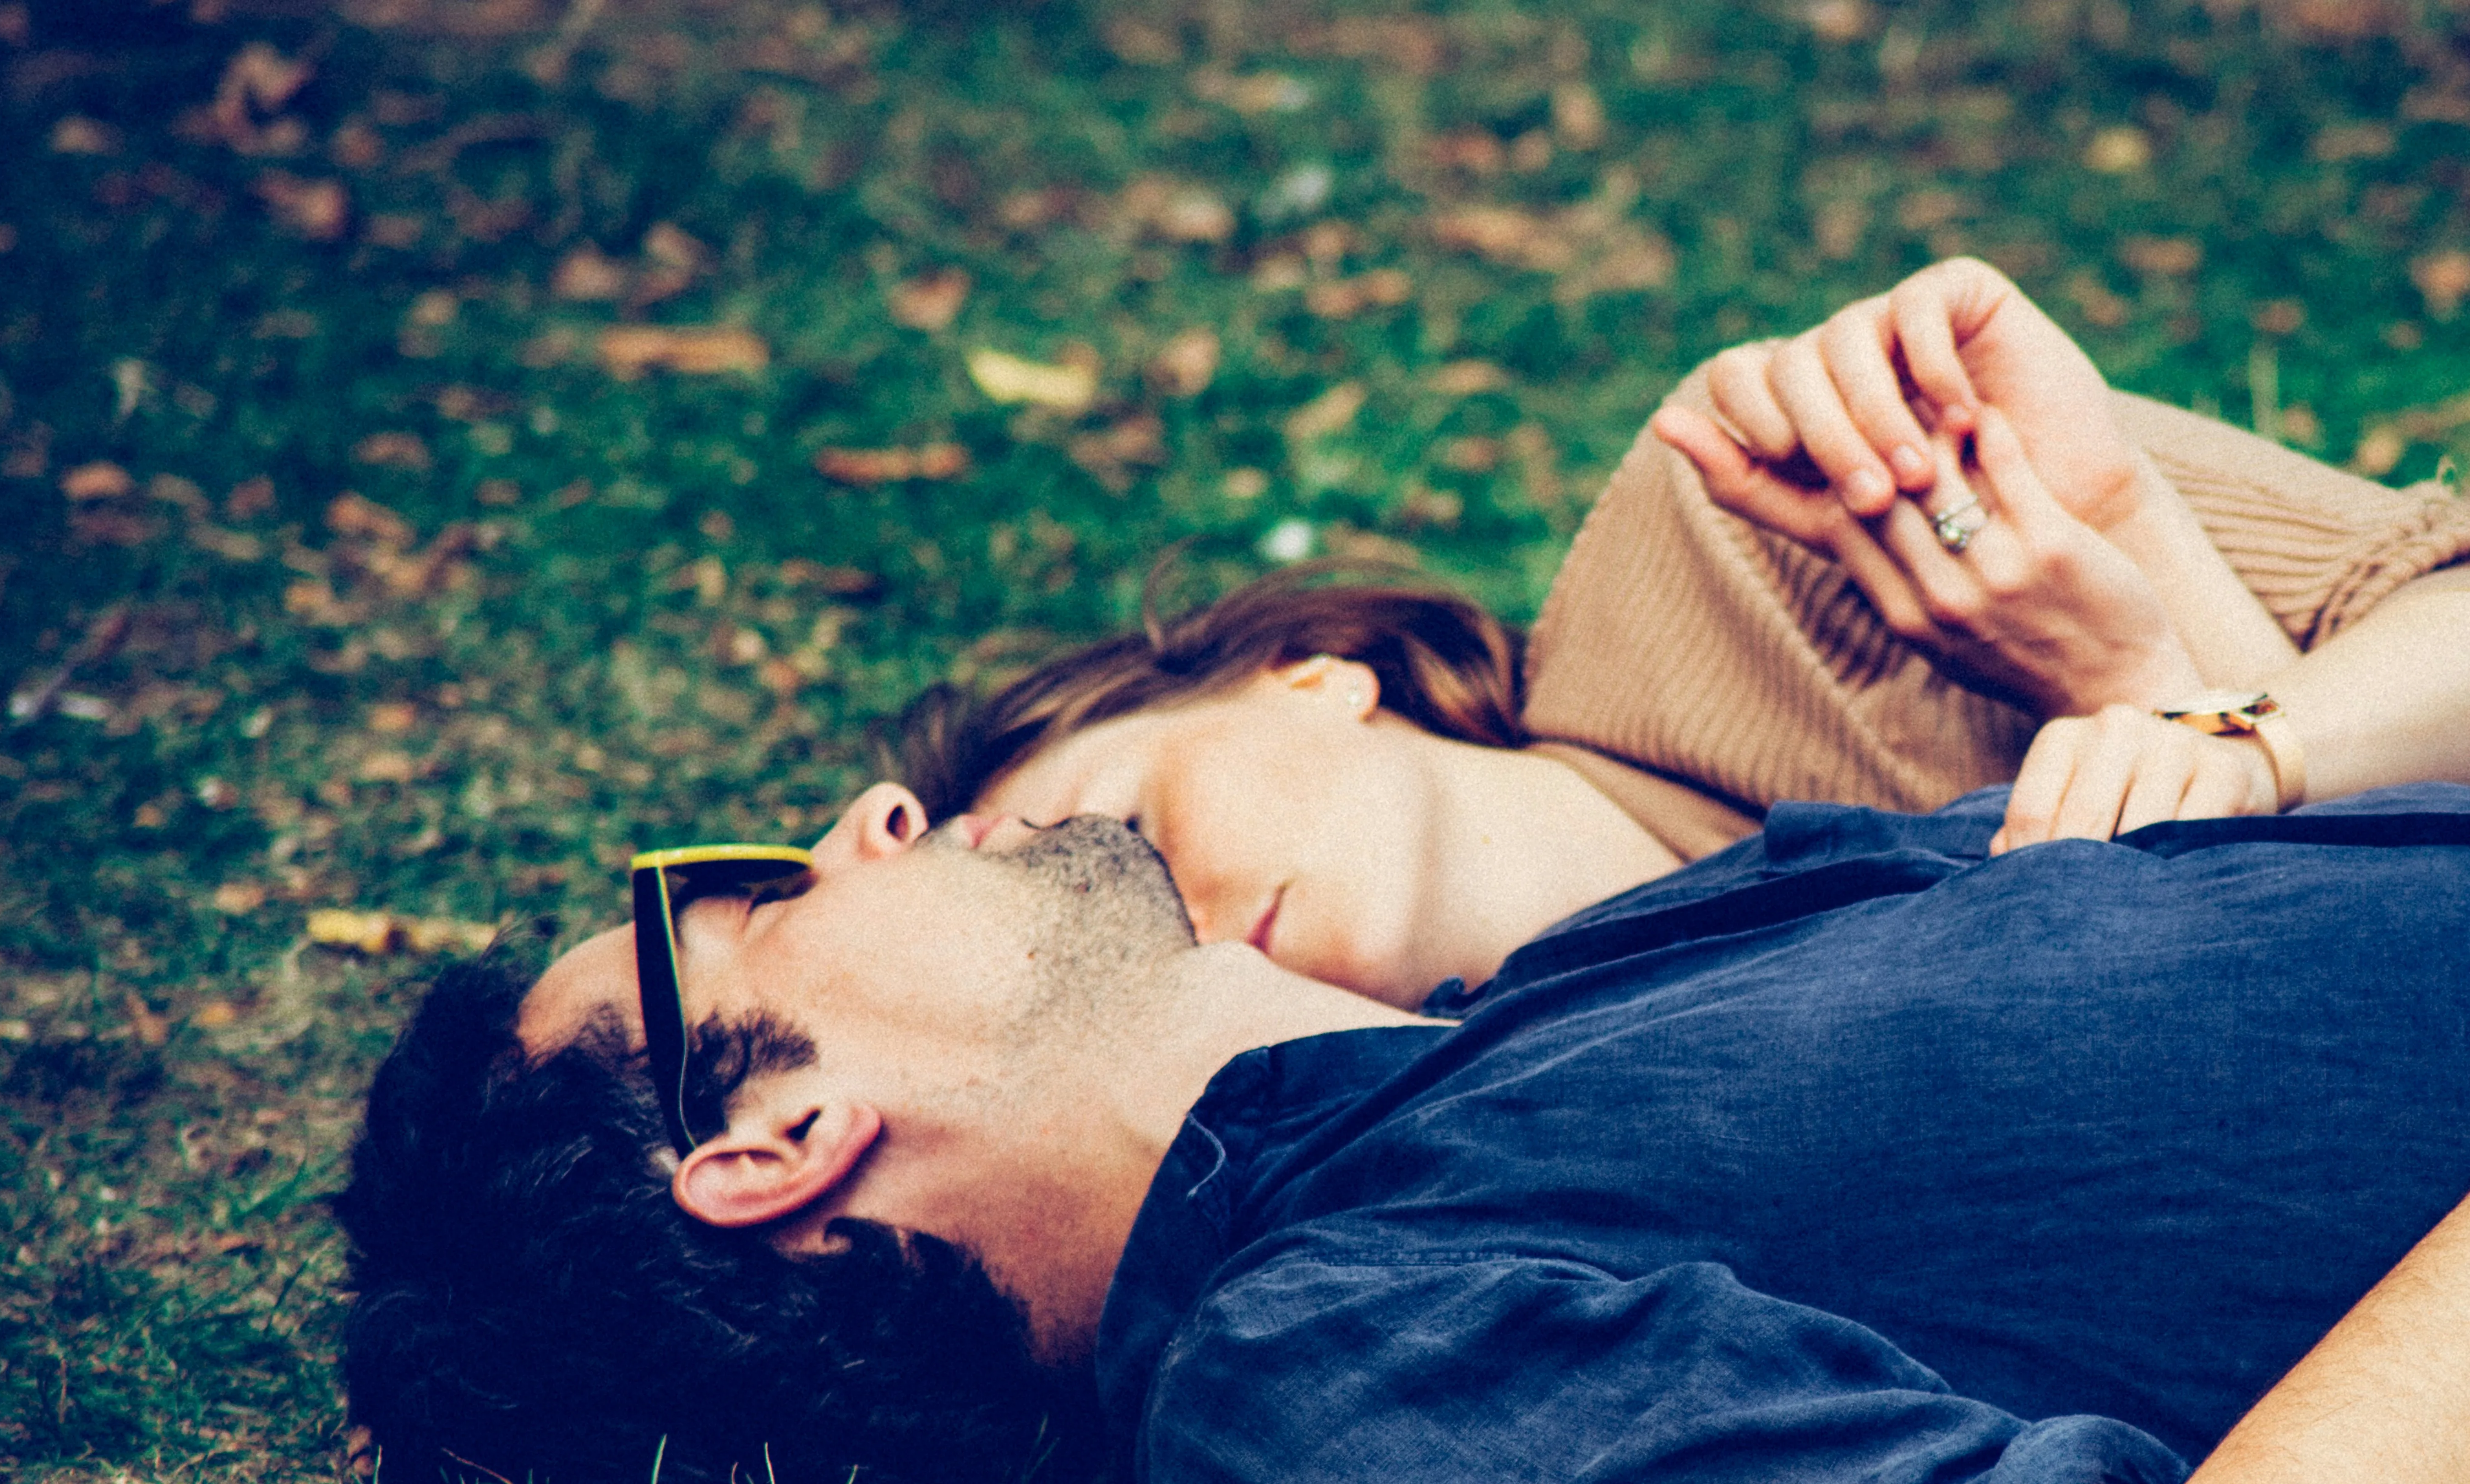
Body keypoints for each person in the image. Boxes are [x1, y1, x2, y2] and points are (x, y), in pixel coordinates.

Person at [337, 780, 2470, 1484]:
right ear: (764, 1145)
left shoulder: (1515, 1013)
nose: (878, 811)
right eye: (747, 902)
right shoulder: (1313, 1382)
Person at [873, 260, 2470, 1009]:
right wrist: (2134, 682)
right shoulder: (1565, 1114)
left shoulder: (1755, 520)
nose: (1187, 940)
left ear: (1311, 676)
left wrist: (2142, 572)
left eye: (1135, 847)